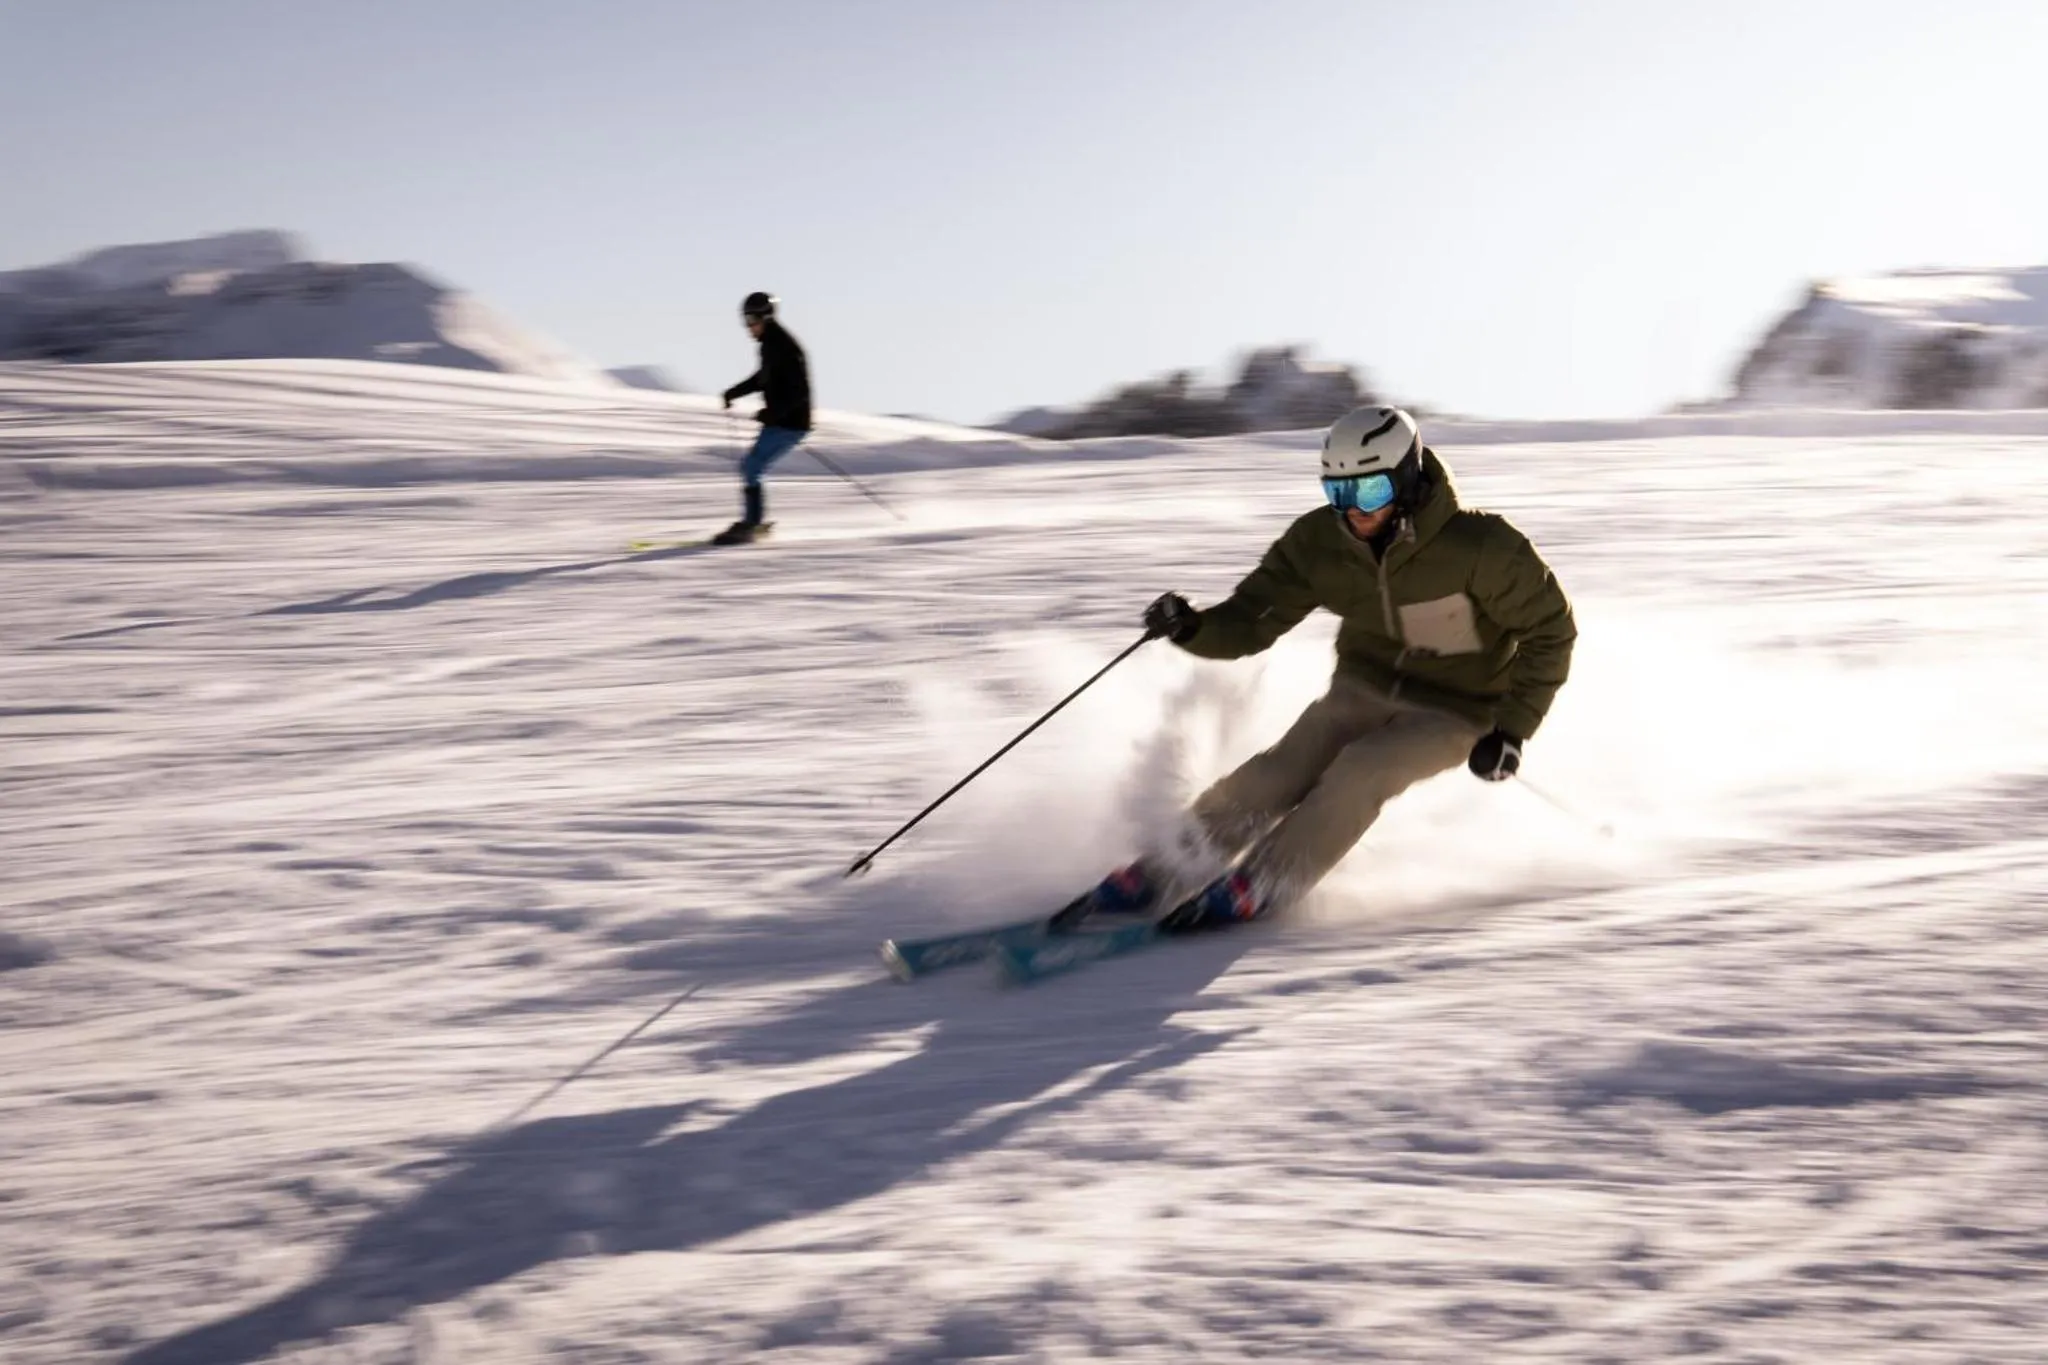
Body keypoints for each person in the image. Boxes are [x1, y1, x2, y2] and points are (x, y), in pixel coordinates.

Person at [1064, 405, 1576, 933]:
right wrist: (1192, 628)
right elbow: (1251, 619)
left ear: (1406, 479)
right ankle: (1169, 865)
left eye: (1370, 491)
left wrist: (1513, 730)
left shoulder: (1481, 548)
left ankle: (1266, 880)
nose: (1354, 511)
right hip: (1363, 689)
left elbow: (1551, 631)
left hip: (1458, 712)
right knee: (1277, 771)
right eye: (1339, 493)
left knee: (1362, 769)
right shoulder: (1319, 544)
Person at [715, 291, 812, 545]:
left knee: (751, 467)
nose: (748, 326)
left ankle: (752, 524)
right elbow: (763, 379)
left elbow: (800, 391)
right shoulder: (771, 344)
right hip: (783, 421)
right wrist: (734, 392)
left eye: (751, 320)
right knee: (751, 467)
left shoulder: (783, 347)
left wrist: (774, 412)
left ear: (765, 317)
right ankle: (752, 521)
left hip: (790, 423)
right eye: (745, 320)